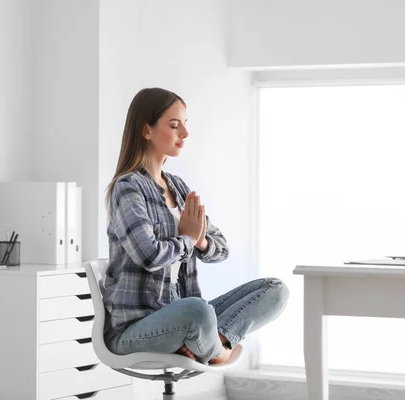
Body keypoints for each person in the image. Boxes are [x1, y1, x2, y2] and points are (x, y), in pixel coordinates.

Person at [102, 88, 289, 364]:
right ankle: (215, 351)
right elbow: (148, 255)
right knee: (198, 312)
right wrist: (189, 239)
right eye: (174, 125)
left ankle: (213, 342)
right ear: (146, 131)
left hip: (178, 310)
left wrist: (201, 242)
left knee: (276, 290)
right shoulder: (128, 187)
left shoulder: (178, 187)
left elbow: (221, 248)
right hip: (136, 327)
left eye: (185, 125)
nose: (185, 134)